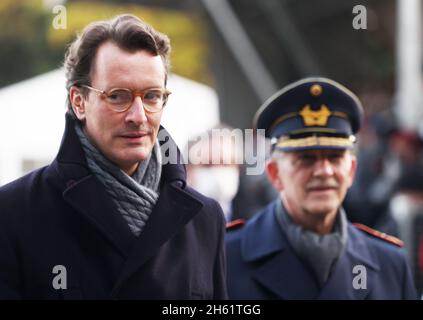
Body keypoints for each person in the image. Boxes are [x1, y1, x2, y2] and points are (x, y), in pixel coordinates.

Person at [0, 14, 227, 299]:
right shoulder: (14, 213)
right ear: (79, 102)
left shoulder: (204, 219)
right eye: (118, 96)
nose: (138, 116)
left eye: (152, 96)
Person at [226, 77, 417, 299]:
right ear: (275, 173)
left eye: (335, 157)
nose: (324, 171)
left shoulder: (389, 264)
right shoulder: (224, 257)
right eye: (306, 159)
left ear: (351, 170)